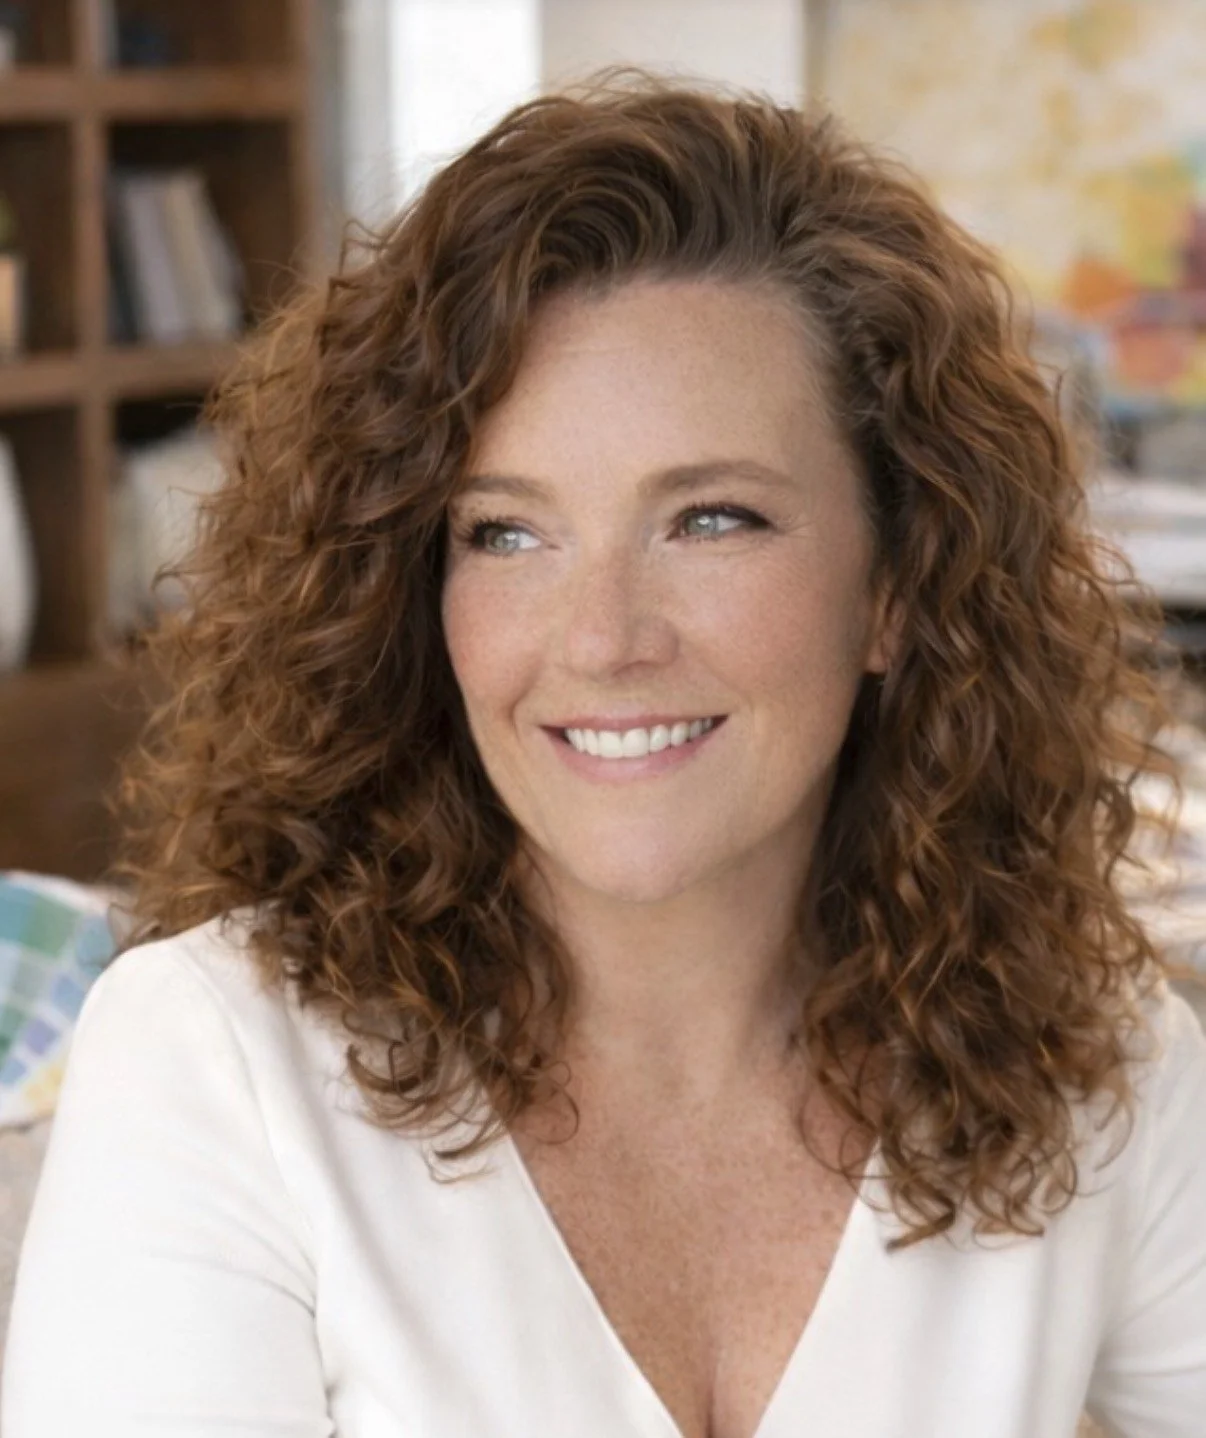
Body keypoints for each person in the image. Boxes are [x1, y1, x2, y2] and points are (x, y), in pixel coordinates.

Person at [3, 72, 1205, 1438]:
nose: (600, 638)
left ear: (896, 587)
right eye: (506, 533)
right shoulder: (215, 1061)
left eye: (711, 518)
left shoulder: (1093, 1063)